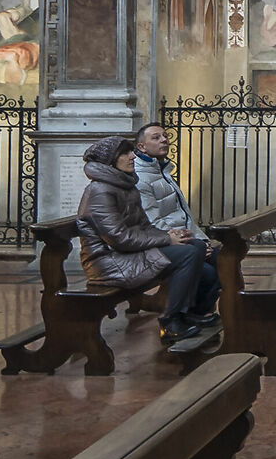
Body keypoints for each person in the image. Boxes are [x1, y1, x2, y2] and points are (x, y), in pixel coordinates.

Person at [76, 134, 218, 344]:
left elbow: (143, 226)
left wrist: (171, 235)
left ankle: (190, 313)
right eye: (125, 153)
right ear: (110, 160)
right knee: (188, 253)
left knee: (197, 245)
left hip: (128, 253)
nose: (132, 156)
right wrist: (166, 240)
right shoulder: (100, 190)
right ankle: (170, 323)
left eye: (131, 151)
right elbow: (118, 238)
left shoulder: (124, 185)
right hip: (108, 261)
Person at [133, 122, 195, 243]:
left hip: (184, 235)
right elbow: (152, 220)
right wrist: (185, 239)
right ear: (142, 147)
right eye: (156, 137)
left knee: (220, 255)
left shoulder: (163, 171)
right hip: (168, 240)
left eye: (165, 136)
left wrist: (201, 238)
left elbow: (185, 215)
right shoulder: (140, 177)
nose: (164, 140)